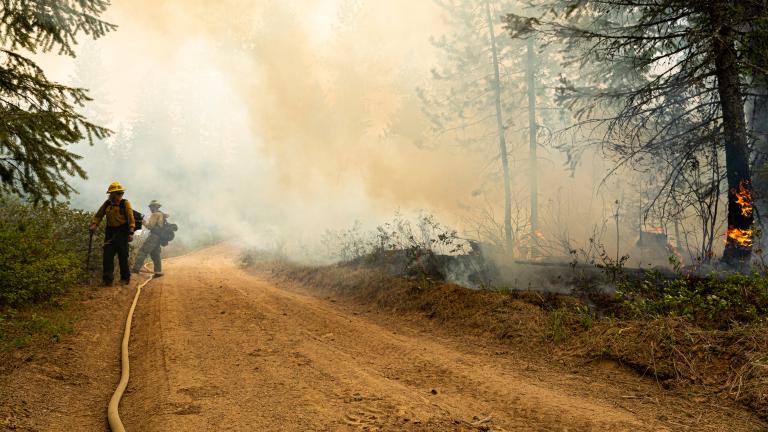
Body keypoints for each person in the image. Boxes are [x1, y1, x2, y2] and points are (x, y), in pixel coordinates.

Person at [90, 182, 135, 286]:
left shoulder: (125, 203)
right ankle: (107, 280)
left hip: (123, 232)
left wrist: (131, 232)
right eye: (118, 193)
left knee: (123, 256)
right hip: (110, 232)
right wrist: (94, 225)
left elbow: (131, 218)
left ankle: (125, 278)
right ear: (112, 194)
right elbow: (99, 215)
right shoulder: (107, 204)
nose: (120, 195)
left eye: (121, 193)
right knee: (107, 256)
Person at [132, 200, 166, 277]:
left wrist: (143, 222)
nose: (150, 208)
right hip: (159, 237)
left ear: (155, 207)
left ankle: (135, 269)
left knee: (142, 251)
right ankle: (158, 272)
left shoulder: (155, 214)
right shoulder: (161, 214)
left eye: (151, 207)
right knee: (155, 254)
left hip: (153, 236)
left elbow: (150, 226)